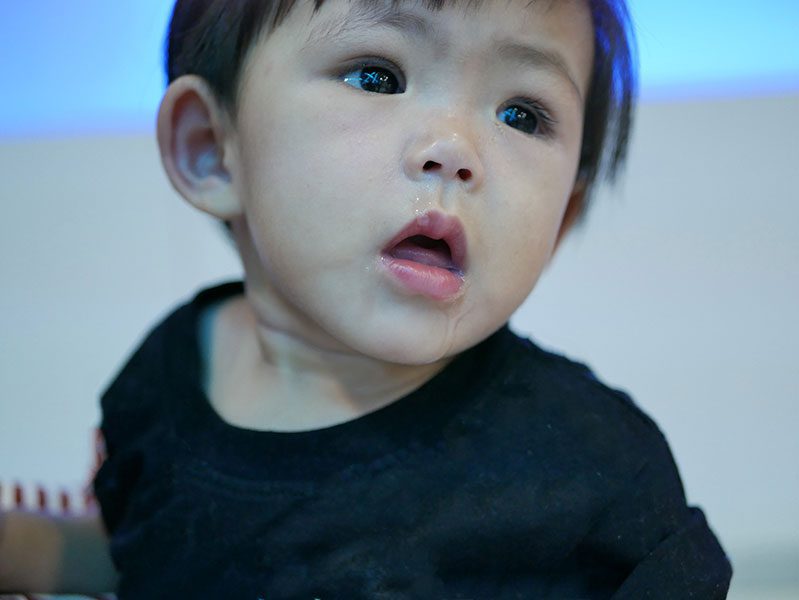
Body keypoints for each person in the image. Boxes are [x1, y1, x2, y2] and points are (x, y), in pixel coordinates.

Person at [0, 0, 733, 597]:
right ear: (211, 148)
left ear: (561, 219)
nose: (452, 149)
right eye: (377, 76)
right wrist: (39, 552)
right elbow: (164, 553)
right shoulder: (164, 378)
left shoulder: (591, 471)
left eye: (521, 114)